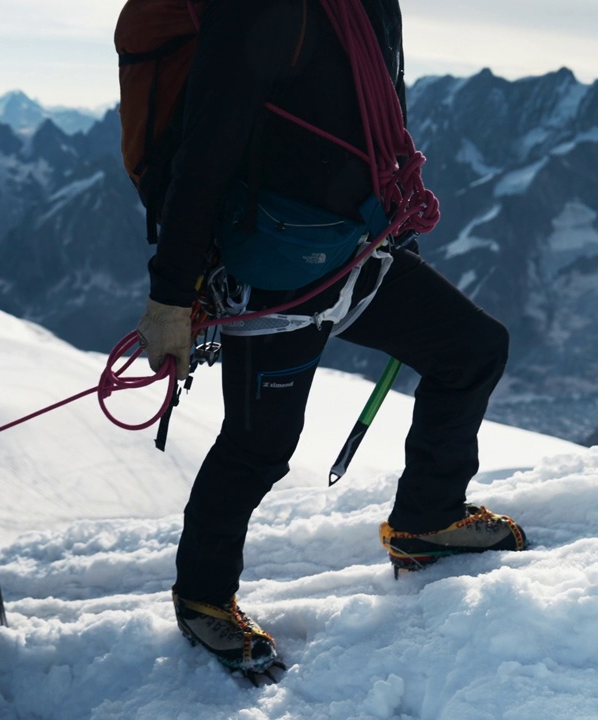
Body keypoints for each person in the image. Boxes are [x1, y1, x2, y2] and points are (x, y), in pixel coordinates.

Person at [134, 0, 525, 676]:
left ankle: (427, 519)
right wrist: (172, 294)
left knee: (471, 349)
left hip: (353, 247)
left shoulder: (372, 4)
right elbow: (206, 148)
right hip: (273, 265)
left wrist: (392, 225)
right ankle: (202, 598)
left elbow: (374, 121)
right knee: (260, 447)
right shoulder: (263, 10)